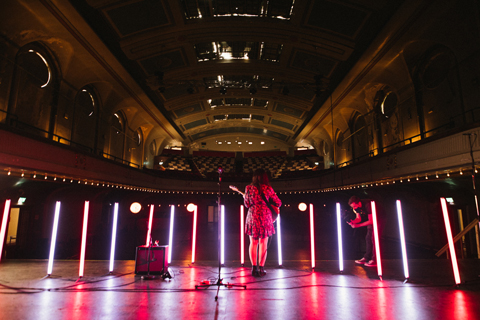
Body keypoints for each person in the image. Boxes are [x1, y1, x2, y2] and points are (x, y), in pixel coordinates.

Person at [244, 169, 281, 277]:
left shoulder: (248, 188)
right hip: (265, 217)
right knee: (263, 244)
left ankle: (253, 268)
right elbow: (278, 202)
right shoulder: (268, 188)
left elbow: (247, 204)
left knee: (253, 243)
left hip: (253, 217)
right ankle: (261, 269)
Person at [347, 196, 376, 267]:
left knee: (375, 239)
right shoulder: (357, 208)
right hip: (372, 219)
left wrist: (358, 225)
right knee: (368, 238)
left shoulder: (368, 205)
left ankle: (374, 260)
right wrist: (353, 221)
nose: (354, 208)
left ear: (359, 203)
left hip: (380, 218)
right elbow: (358, 218)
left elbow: (371, 221)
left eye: (354, 206)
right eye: (352, 207)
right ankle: (367, 258)